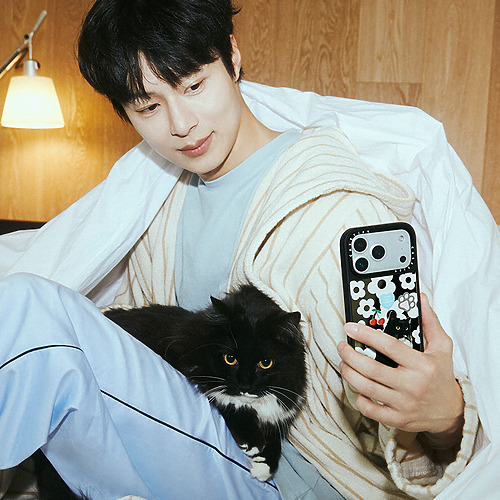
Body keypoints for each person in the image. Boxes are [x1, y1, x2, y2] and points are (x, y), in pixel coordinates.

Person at [0, 0, 485, 498]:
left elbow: (403, 417)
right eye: (148, 107)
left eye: (194, 86)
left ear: (232, 57)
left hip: (283, 483)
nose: (181, 123)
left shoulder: (341, 213)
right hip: (193, 447)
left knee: (30, 311)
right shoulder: (156, 204)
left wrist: (446, 420)